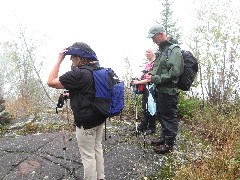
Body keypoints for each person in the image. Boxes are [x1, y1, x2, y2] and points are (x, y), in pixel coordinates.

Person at [47, 42, 105, 180]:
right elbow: (89, 90)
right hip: (99, 116)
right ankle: (101, 177)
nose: (71, 60)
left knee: (87, 156)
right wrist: (70, 94)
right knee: (97, 148)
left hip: (86, 121)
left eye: (72, 57)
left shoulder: (78, 74)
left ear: (78, 58)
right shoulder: (96, 70)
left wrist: (59, 59)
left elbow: (51, 81)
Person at [146, 24, 184, 154]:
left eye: (154, 37)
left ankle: (169, 144)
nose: (153, 40)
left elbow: (174, 73)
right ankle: (163, 137)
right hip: (161, 90)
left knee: (169, 116)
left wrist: (155, 78)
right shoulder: (162, 51)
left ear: (161, 34)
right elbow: (161, 68)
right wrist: (152, 74)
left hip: (169, 91)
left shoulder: (174, 50)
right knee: (161, 115)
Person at [131, 49, 157, 135]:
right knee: (145, 106)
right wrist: (138, 79)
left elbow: (150, 79)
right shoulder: (147, 64)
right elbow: (144, 76)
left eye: (148, 52)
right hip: (146, 88)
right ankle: (143, 126)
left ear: (153, 53)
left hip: (152, 88)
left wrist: (138, 82)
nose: (146, 53)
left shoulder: (155, 64)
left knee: (151, 107)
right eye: (145, 52)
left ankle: (152, 127)